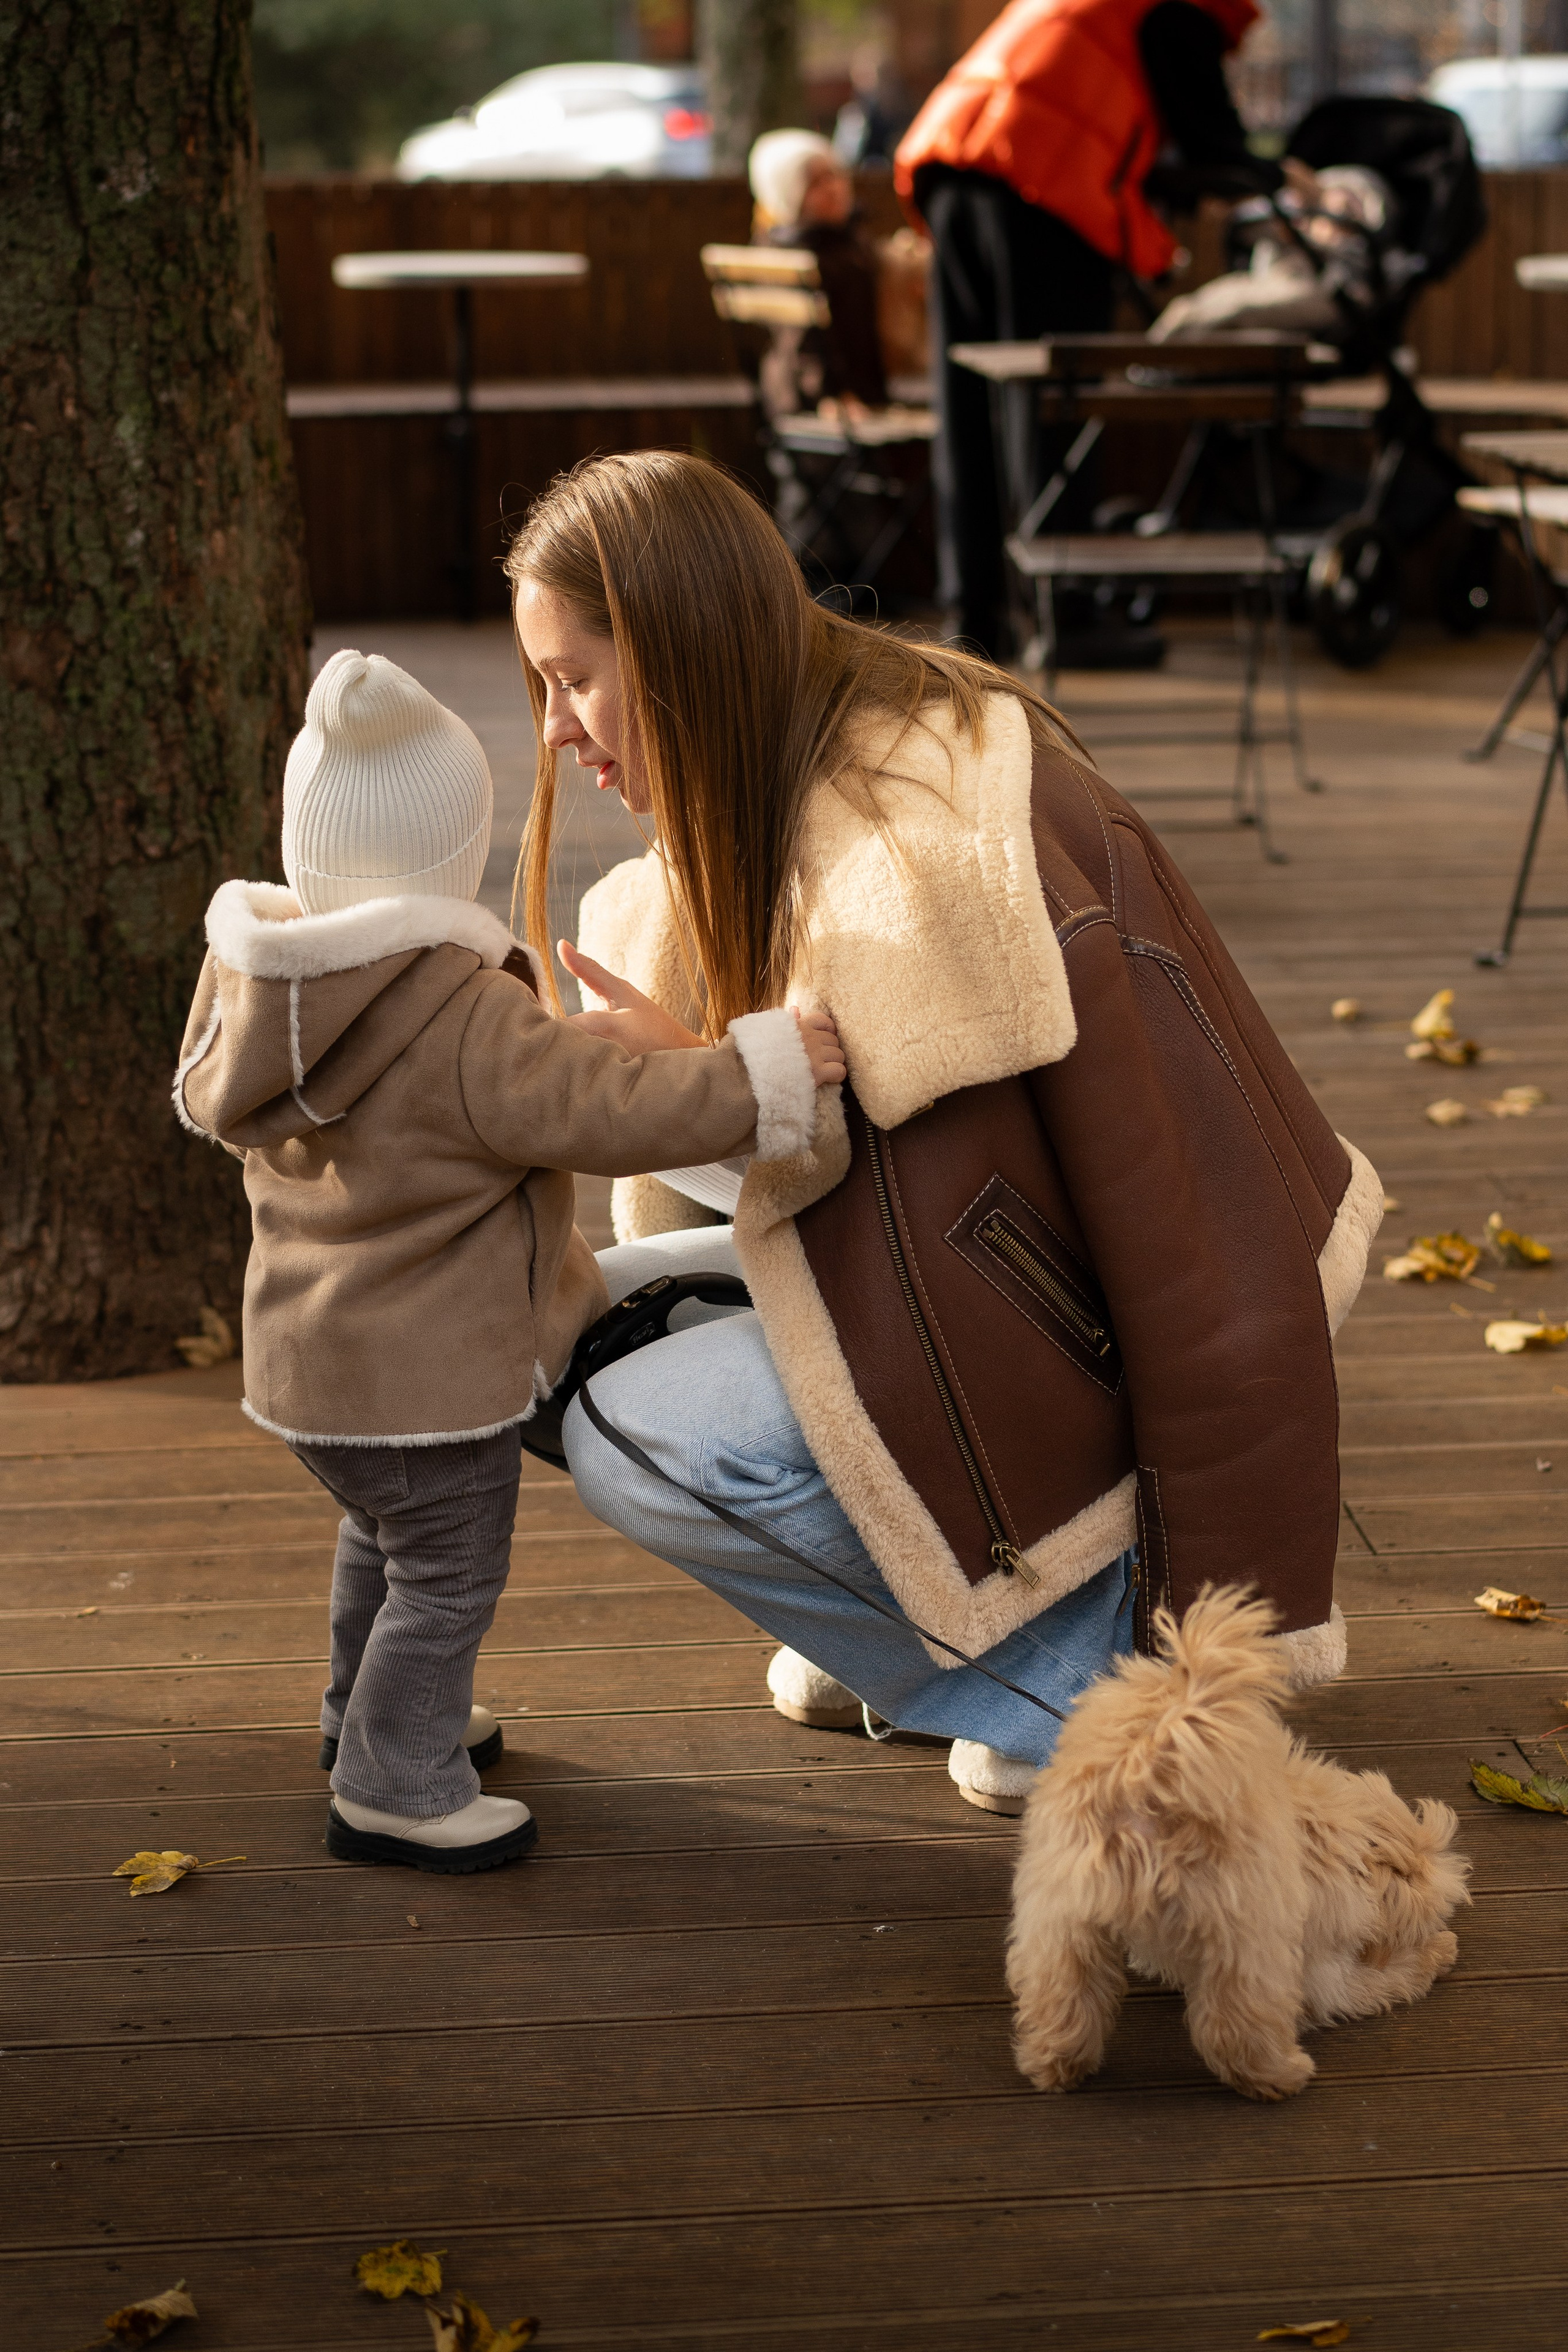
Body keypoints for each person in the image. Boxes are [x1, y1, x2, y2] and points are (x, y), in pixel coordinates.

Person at [505, 451, 1381, 1819]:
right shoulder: (788, 782)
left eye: (573, 678)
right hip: (992, 1346)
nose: (557, 730)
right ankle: (946, 1632)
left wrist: (1214, 1645)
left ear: (677, 647)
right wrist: (687, 1082)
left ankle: (1072, 1686)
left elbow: (1197, 1258)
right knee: (543, 1326)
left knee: (632, 1420)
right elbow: (857, 1180)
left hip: (1081, 1389)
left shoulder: (931, 855)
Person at [172, 647, 843, 1874]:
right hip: (430, 1384)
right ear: (450, 855)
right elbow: (609, 1108)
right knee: (447, 1576)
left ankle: (357, 1718)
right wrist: (767, 1071)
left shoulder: (264, 994)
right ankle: (395, 1782)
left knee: (379, 1543)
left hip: (309, 1377)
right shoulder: (459, 1011)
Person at [893, 0, 1306, 660]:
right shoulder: (1185, 9)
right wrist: (1284, 179)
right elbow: (1213, 143)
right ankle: (1069, 619)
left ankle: (973, 617)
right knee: (1051, 405)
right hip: (1041, 186)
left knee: (966, 400)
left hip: (957, 159)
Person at [748, 127, 889, 413]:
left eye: (834, 175)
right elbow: (801, 343)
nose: (833, 189)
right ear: (788, 194)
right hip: (819, 399)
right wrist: (830, 395)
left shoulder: (845, 241)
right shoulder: (796, 257)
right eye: (814, 183)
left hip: (855, 393)